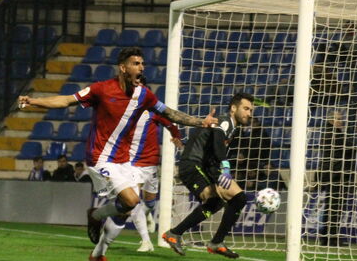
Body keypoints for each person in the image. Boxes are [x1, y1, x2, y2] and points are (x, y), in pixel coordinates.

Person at [18, 46, 217, 261]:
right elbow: (66, 100)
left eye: (142, 64)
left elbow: (170, 113)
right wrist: (34, 101)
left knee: (123, 211)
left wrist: (200, 122)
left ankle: (97, 254)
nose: (141, 67)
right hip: (99, 157)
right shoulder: (101, 89)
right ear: (123, 68)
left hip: (124, 161)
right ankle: (96, 215)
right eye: (136, 64)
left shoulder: (144, 95)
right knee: (132, 201)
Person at [161, 92, 255, 259]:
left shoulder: (232, 127)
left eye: (251, 110)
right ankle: (214, 241)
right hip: (192, 166)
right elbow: (218, 142)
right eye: (246, 108)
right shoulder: (225, 121)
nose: (249, 113)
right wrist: (225, 166)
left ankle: (177, 234)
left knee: (221, 201)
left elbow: (207, 143)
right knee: (230, 198)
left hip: (204, 166)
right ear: (233, 108)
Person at [127, 105, 183, 252]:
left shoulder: (153, 111)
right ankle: (146, 242)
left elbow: (170, 124)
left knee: (150, 203)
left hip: (151, 164)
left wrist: (176, 135)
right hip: (132, 163)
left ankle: (147, 215)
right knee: (133, 202)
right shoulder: (125, 110)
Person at [317, 109, 355, 246]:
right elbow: (349, 147)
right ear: (331, 120)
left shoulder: (329, 133)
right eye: (338, 118)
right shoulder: (334, 134)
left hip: (331, 173)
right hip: (336, 174)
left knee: (331, 206)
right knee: (335, 207)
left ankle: (326, 236)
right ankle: (331, 238)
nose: (341, 121)